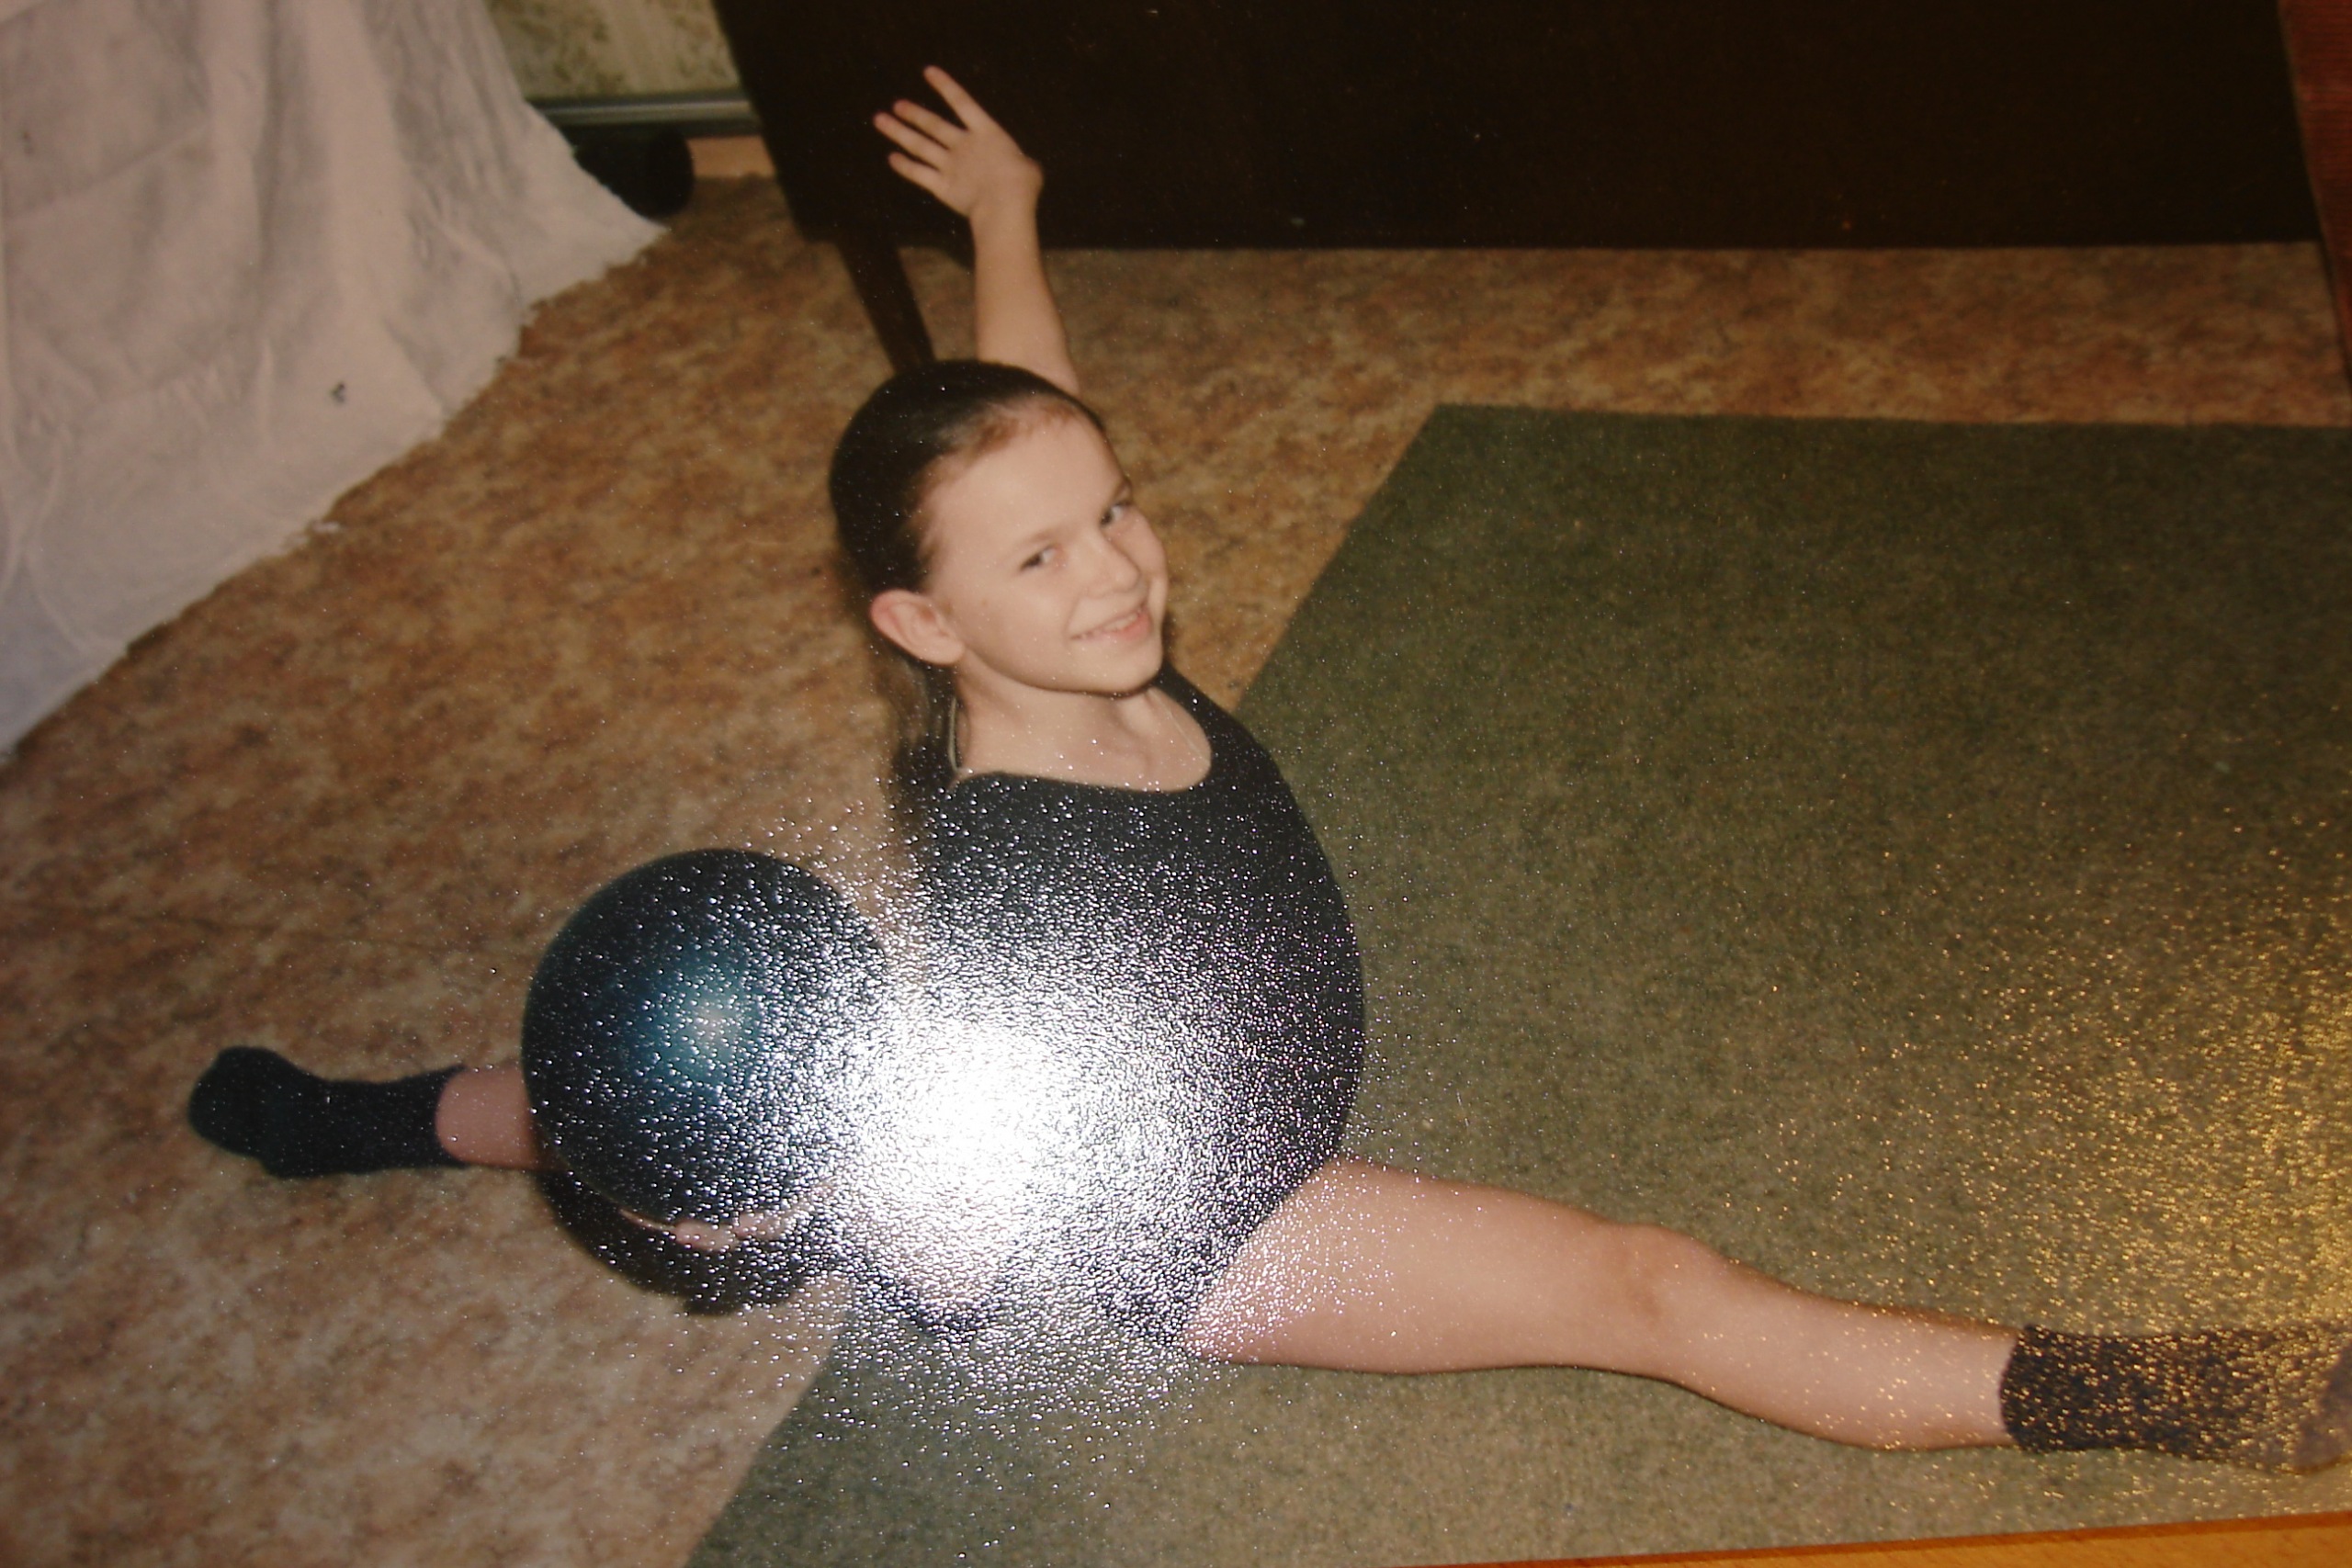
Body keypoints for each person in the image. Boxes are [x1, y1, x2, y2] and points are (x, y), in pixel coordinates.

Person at [190, 68, 2352, 1472]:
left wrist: (1008, 211)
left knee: (768, 1069)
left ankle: (398, 1114)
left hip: (1144, 1056)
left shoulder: (1043, 625)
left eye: (1112, 511)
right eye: (1044, 558)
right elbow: (996, 1178)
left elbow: (1022, 418)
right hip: (1214, 1215)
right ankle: (2205, 1387)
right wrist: (803, 1215)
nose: (1121, 569)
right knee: (1648, 1285)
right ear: (922, 627)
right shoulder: (1027, 894)